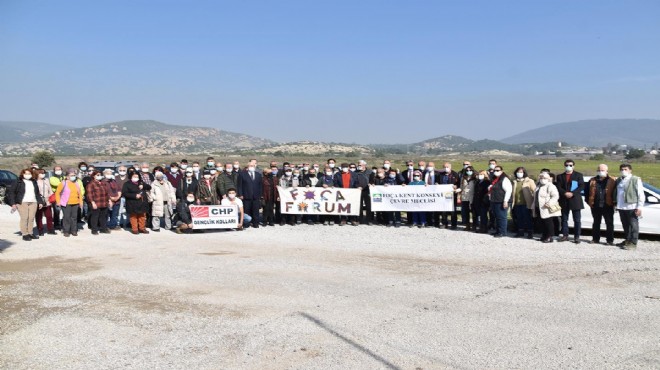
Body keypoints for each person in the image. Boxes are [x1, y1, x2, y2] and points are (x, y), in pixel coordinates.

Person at [7, 168, 45, 241]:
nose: (28, 175)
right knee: (25, 218)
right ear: (23, 174)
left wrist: (40, 202)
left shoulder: (33, 181)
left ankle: (30, 233)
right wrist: (13, 203)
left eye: (29, 174)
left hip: (33, 202)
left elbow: (37, 193)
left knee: (31, 218)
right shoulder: (18, 182)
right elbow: (11, 192)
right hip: (22, 202)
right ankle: (25, 234)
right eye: (26, 174)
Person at [615, 164, 645, 250]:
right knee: (625, 225)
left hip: (632, 206)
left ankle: (633, 242)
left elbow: (640, 194)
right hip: (621, 207)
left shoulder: (635, 180)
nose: (623, 171)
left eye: (625, 169)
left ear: (630, 170)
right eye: (622, 169)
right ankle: (627, 240)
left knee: (633, 226)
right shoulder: (619, 180)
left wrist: (639, 207)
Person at [555, 159, 585, 244]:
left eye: (570, 165)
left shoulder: (578, 175)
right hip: (564, 200)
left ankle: (577, 237)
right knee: (564, 219)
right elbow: (559, 187)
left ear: (573, 166)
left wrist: (572, 193)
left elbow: (581, 186)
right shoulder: (560, 176)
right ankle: (565, 235)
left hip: (575, 200)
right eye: (567, 165)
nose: (568, 167)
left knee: (577, 220)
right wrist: (565, 193)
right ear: (564, 166)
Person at [587, 164, 616, 245]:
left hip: (608, 205)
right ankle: (595, 239)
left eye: (602, 170)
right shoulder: (592, 180)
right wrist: (589, 202)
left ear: (607, 171)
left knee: (609, 223)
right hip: (595, 206)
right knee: (596, 223)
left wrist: (614, 203)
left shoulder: (612, 180)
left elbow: (615, 192)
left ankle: (609, 240)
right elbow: (587, 192)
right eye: (599, 170)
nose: (600, 172)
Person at [532, 172, 562, 243]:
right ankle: (544, 235)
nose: (542, 179)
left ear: (548, 179)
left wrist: (549, 203)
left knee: (548, 223)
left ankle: (549, 236)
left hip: (547, 207)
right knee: (542, 222)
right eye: (541, 178)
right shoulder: (538, 185)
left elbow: (555, 196)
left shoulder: (550, 186)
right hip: (539, 207)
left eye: (544, 178)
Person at [55, 169, 84, 237]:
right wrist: (58, 202)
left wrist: (80, 202)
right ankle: (66, 231)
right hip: (66, 203)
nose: (73, 177)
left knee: (74, 217)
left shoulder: (76, 183)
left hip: (75, 203)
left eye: (74, 175)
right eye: (71, 175)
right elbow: (57, 193)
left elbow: (79, 193)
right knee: (67, 217)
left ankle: (74, 230)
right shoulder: (63, 183)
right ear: (67, 176)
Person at [511, 166, 536, 238]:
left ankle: (530, 232)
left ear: (524, 173)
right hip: (517, 203)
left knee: (527, 218)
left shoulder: (529, 181)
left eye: (521, 172)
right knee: (519, 218)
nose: (519, 173)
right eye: (518, 172)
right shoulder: (514, 182)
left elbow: (534, 190)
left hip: (526, 203)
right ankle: (520, 231)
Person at [236, 162, 262, 228]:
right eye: (250, 165)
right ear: (247, 166)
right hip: (246, 196)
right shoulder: (242, 174)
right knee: (247, 210)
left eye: (253, 166)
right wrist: (240, 194)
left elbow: (260, 186)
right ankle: (246, 224)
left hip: (256, 196)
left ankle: (255, 223)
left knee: (256, 211)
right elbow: (239, 185)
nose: (252, 167)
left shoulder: (258, 175)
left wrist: (260, 195)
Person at [488, 165, 512, 237]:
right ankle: (498, 231)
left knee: (502, 217)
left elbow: (508, 191)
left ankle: (502, 232)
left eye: (498, 170)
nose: (496, 172)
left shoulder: (504, 179)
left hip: (501, 201)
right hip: (495, 200)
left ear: (501, 171)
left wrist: (505, 201)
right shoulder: (495, 179)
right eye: (495, 170)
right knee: (497, 217)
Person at [86, 170, 111, 235]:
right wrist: (92, 202)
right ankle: (94, 229)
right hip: (96, 203)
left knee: (103, 216)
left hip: (104, 202)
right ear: (93, 176)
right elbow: (89, 194)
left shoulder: (103, 183)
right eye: (97, 175)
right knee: (95, 217)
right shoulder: (91, 184)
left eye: (100, 175)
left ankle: (103, 228)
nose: (99, 176)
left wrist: (109, 200)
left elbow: (107, 193)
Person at [439, 162, 460, 229]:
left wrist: (456, 186)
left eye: (447, 167)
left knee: (453, 210)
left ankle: (454, 224)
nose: (446, 168)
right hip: (442, 195)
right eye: (444, 167)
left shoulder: (455, 174)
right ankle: (444, 223)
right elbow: (437, 182)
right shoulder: (440, 174)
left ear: (450, 167)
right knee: (443, 210)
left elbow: (459, 184)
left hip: (452, 195)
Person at [35, 169, 56, 236]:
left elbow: (50, 190)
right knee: (39, 216)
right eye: (41, 173)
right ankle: (40, 229)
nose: (43, 174)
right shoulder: (35, 182)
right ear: (37, 174)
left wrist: (51, 197)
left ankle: (50, 229)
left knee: (49, 216)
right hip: (39, 201)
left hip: (47, 201)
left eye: (43, 173)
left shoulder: (46, 181)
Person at [459, 165, 476, 231]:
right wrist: (458, 191)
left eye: (470, 170)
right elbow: (461, 187)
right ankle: (467, 225)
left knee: (474, 212)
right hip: (464, 197)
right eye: (467, 170)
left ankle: (474, 225)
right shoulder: (463, 178)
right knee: (466, 212)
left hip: (472, 197)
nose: (469, 172)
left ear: (473, 171)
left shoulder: (475, 178)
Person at [49, 165, 65, 230]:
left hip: (65, 195)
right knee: (57, 211)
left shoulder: (64, 177)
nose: (58, 171)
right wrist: (64, 183)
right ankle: (56, 224)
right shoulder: (52, 178)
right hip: (57, 195)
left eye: (59, 169)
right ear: (54, 171)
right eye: (56, 170)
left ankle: (63, 223)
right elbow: (57, 184)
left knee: (65, 211)